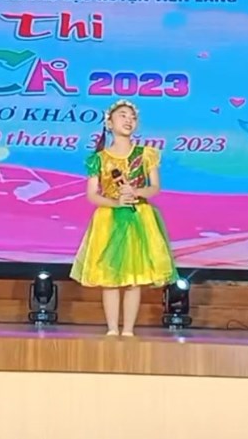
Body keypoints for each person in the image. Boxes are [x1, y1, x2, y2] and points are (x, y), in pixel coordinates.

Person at [70, 99, 179, 337]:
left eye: (132, 117)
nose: (129, 120)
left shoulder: (145, 154)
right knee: (110, 277)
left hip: (138, 216)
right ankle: (112, 329)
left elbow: (155, 188)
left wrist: (136, 192)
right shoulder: (99, 158)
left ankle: (128, 330)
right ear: (109, 123)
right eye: (122, 115)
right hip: (109, 218)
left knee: (134, 277)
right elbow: (92, 194)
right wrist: (116, 202)